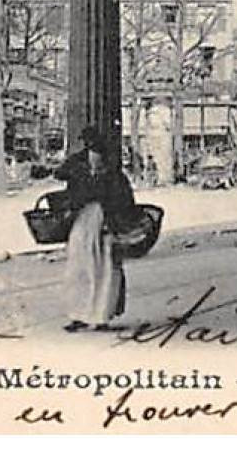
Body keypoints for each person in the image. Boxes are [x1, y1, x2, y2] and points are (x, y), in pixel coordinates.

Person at [56, 133, 136, 332]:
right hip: (84, 222)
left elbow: (124, 203)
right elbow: (60, 173)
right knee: (82, 268)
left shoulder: (113, 176)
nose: (94, 157)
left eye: (97, 152)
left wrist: (116, 225)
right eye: (91, 152)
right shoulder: (79, 170)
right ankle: (80, 315)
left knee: (102, 269)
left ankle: (99, 316)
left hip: (104, 224)